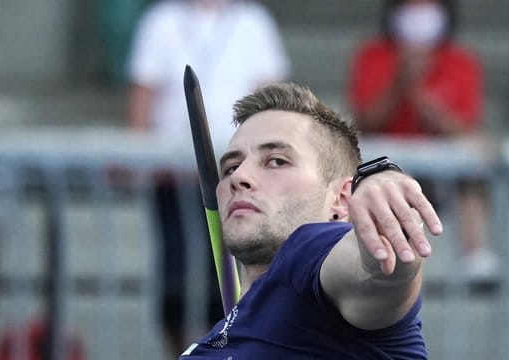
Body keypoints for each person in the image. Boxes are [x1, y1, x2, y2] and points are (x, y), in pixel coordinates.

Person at [178, 83, 442, 359]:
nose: (238, 177)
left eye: (276, 161)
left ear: (342, 199)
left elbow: (379, 271)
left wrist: (382, 185)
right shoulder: (213, 342)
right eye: (231, 167)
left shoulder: (306, 253)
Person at [126, 0, 289, 357]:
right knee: (175, 273)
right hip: (173, 179)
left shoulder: (253, 21)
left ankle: (228, 350)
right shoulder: (161, 20)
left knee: (229, 276)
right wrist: (138, 155)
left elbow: (272, 100)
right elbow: (143, 94)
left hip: (237, 180)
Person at [348, 0, 497, 280]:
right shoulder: (372, 56)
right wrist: (399, 84)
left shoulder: (461, 61)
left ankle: (474, 255)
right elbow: (365, 122)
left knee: (473, 175)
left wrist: (422, 99)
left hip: (444, 172)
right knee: (394, 181)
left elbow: (466, 130)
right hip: (389, 167)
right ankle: (394, 260)